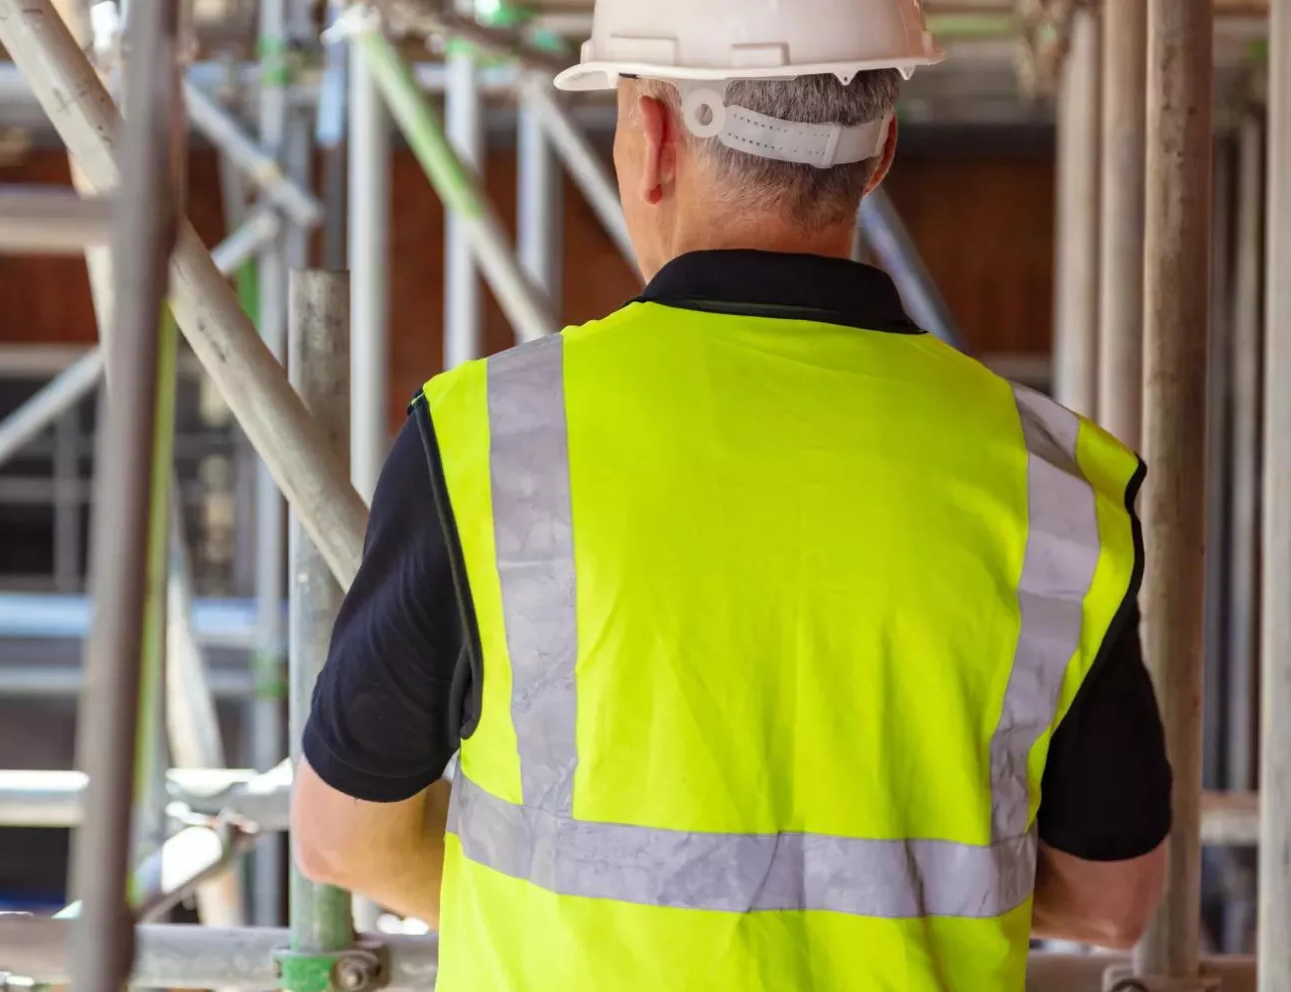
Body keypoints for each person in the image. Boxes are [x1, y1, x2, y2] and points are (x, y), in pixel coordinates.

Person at [288, 1, 1173, 987]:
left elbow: (345, 840)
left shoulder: (487, 442)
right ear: (877, 151)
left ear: (652, 134)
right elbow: (1108, 901)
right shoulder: (1053, 482)